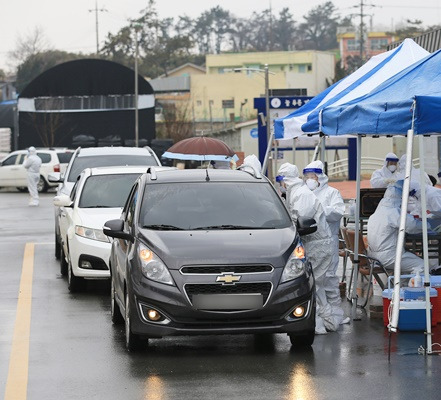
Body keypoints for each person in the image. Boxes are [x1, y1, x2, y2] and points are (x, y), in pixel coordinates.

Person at [277, 162, 339, 334]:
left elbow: (299, 221)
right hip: (315, 244)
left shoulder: (301, 195)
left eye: (280, 179)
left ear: (285, 179)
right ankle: (327, 322)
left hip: (318, 245)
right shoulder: (296, 192)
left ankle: (321, 324)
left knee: (315, 286)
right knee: (316, 286)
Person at [303, 160, 346, 325]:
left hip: (329, 241)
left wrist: (320, 210)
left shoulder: (332, 193)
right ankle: (320, 313)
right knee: (315, 279)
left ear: (320, 176)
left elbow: (338, 212)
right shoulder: (305, 193)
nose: (309, 179)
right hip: (311, 240)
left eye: (312, 176)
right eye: (306, 176)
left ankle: (336, 315)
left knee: (329, 277)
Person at [367, 181, 424, 273]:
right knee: (422, 266)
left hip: (373, 256)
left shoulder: (376, 213)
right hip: (389, 257)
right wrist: (429, 225)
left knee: (408, 264)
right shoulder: (393, 213)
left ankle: (400, 286)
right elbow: (413, 226)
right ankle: (410, 287)